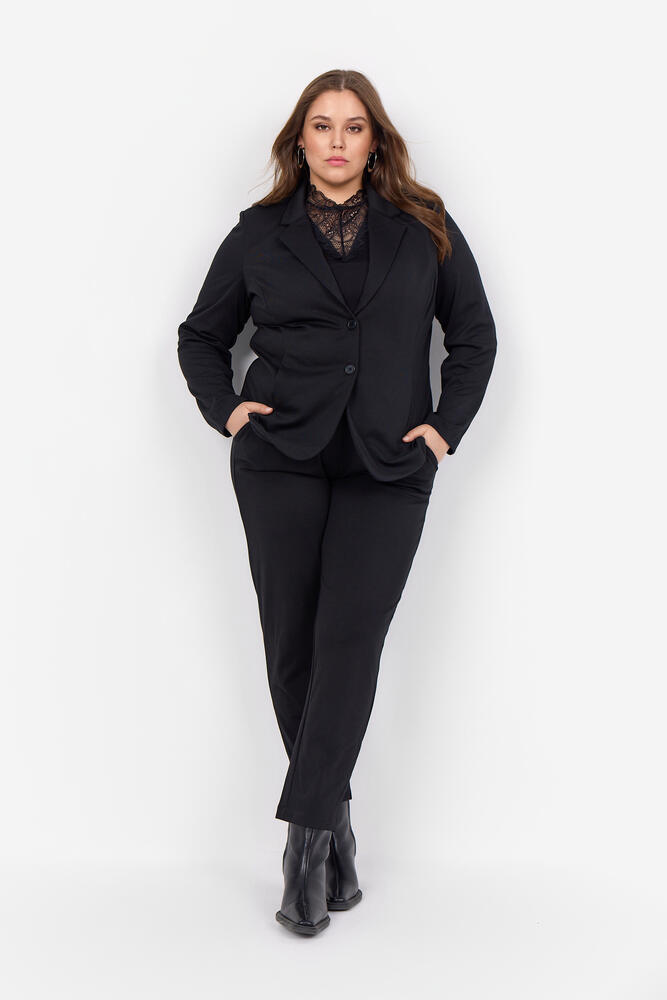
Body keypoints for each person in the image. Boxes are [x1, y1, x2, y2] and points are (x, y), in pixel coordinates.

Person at [177, 69, 497, 936]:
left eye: (352, 127)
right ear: (299, 140)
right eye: (321, 126)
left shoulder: (424, 227)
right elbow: (201, 336)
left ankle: (303, 847)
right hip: (279, 458)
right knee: (291, 646)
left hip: (389, 463)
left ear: (374, 141)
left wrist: (443, 428)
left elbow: (472, 334)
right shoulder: (258, 234)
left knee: (349, 641)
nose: (335, 141)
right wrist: (226, 409)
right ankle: (335, 823)